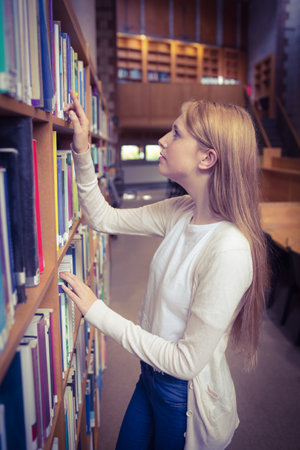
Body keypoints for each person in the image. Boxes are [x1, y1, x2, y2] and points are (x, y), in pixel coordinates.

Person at [60, 91, 269, 450]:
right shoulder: (182, 210)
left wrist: (99, 313)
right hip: (149, 375)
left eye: (175, 133)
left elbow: (186, 362)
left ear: (207, 158)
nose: (162, 140)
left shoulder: (229, 248)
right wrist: (81, 150)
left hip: (181, 396)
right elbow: (102, 217)